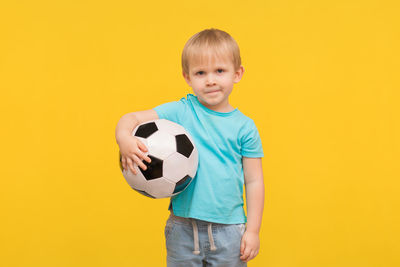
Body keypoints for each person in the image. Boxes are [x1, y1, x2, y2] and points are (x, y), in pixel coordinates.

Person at [115, 28, 264, 267]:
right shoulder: (181, 111)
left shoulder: (245, 127)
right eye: (200, 73)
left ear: (237, 74)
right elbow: (130, 118)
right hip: (182, 228)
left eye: (220, 71)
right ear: (187, 77)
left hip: (230, 230)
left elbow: (254, 181)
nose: (210, 80)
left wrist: (253, 230)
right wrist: (124, 138)